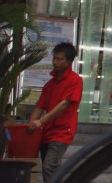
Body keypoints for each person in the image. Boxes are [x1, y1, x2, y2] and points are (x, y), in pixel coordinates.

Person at [26, 43, 83, 182]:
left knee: (49, 167)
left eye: (59, 59)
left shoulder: (75, 80)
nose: (55, 62)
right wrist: (30, 125)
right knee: (51, 170)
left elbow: (64, 104)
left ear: (69, 61)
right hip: (45, 132)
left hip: (62, 133)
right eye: (54, 58)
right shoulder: (49, 84)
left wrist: (40, 121)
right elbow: (39, 107)